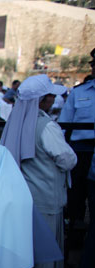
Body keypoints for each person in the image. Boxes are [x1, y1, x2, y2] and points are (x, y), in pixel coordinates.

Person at [0, 74, 77, 268]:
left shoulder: (15, 122)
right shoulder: (46, 126)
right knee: (43, 254)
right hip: (46, 200)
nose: (53, 100)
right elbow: (67, 159)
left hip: (22, 198)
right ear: (42, 100)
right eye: (50, 96)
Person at [59, 48, 95, 230]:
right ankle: (75, 238)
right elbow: (64, 123)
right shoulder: (79, 93)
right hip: (81, 149)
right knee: (77, 197)